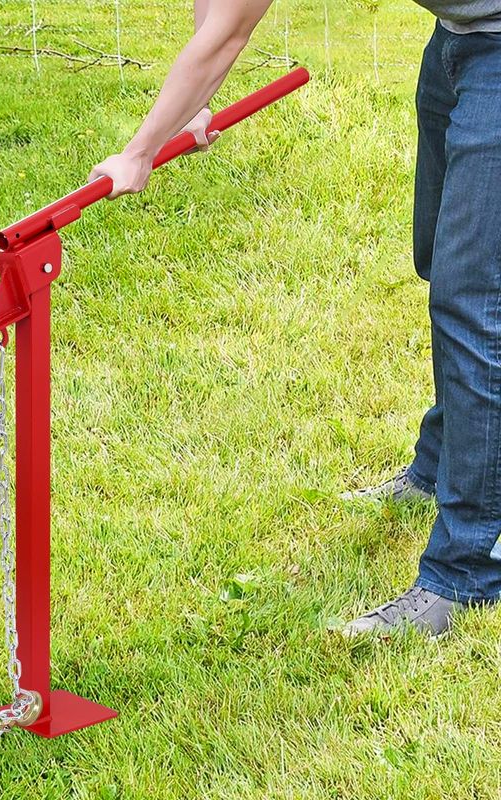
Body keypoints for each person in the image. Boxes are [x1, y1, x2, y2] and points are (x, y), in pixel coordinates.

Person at [89, 0, 501, 637]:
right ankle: (443, 464)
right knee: (442, 264)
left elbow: (231, 28)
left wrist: (139, 152)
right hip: (459, 40)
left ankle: (469, 566)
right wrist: (194, 105)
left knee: (474, 299)